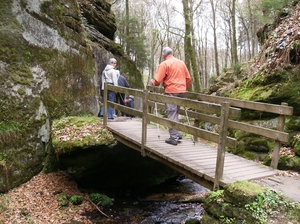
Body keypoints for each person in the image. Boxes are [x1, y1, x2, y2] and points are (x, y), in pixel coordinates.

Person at [150, 47, 191, 145]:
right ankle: (177, 133)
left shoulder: (164, 64)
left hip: (171, 91)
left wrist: (153, 82)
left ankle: (173, 138)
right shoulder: (181, 63)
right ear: (171, 53)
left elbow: (158, 80)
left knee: (172, 113)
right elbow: (188, 78)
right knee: (176, 112)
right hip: (181, 91)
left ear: (164, 55)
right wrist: (184, 88)